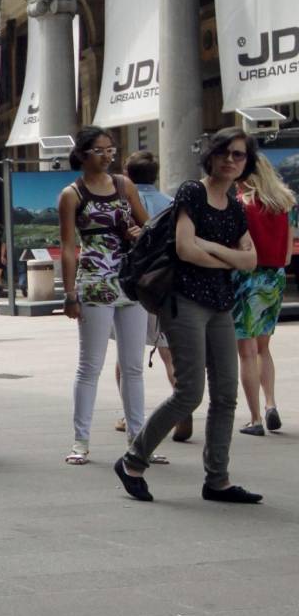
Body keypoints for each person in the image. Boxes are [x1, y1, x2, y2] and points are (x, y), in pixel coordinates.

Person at [116, 127, 262, 505]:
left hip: (219, 303)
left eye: (239, 155)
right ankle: (133, 460)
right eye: (225, 153)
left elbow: (251, 261)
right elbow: (184, 248)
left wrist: (211, 247)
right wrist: (225, 255)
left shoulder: (234, 208)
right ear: (210, 156)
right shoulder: (192, 192)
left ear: (247, 163)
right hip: (184, 300)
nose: (231, 160)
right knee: (189, 393)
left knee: (227, 394)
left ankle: (218, 480)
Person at [58, 126, 150, 466]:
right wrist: (69, 293)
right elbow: (69, 247)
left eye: (110, 149)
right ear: (83, 154)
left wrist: (141, 232)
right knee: (90, 366)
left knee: (133, 367)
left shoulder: (125, 186)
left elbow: (150, 227)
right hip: (95, 283)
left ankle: (139, 440)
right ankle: (81, 441)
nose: (108, 155)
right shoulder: (72, 194)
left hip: (130, 282)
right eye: (100, 150)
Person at [113, 150, 179, 435]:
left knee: (126, 356)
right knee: (168, 352)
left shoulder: (123, 204)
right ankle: (180, 405)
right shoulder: (171, 204)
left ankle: (129, 416)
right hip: (164, 285)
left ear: (127, 174)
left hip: (133, 285)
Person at [232, 153, 295, 435]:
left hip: (246, 279)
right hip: (275, 277)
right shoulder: (284, 204)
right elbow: (286, 255)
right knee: (263, 348)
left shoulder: (239, 206)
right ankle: (271, 404)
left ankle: (255, 418)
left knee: (245, 351)